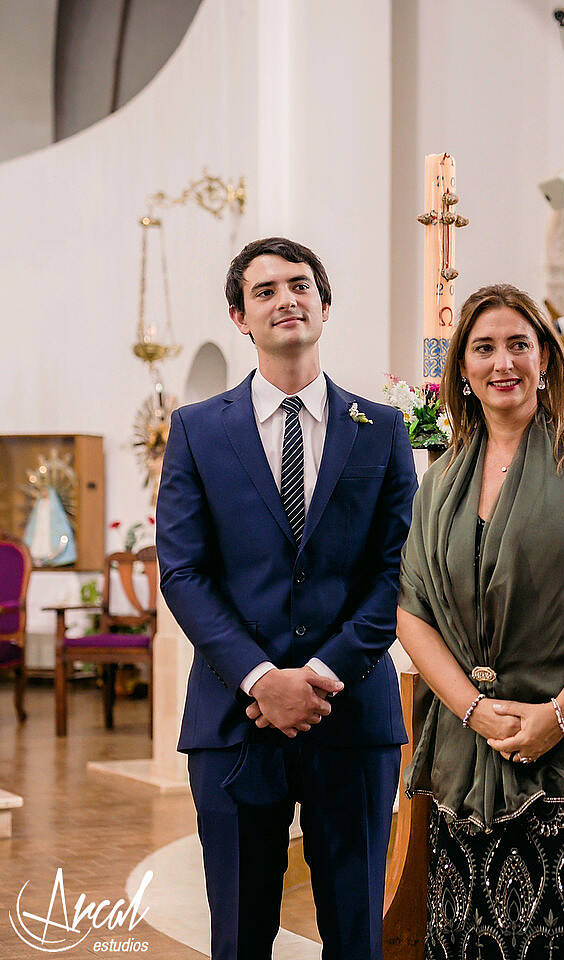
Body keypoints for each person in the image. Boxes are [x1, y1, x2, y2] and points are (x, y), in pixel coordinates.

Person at [156, 237, 416, 960]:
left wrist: (322, 673)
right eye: (264, 291)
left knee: (357, 931)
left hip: (353, 713)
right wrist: (263, 678)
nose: (285, 300)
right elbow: (182, 570)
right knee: (238, 934)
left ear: (325, 307)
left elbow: (397, 570)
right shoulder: (198, 430)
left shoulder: (383, 429)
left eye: (299, 285)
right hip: (235, 719)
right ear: (240, 316)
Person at [395, 283, 564, 959]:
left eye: (518, 344)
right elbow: (411, 611)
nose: (502, 361)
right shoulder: (442, 478)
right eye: (484, 348)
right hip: (468, 755)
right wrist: (474, 710)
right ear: (462, 371)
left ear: (545, 360)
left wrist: (558, 715)